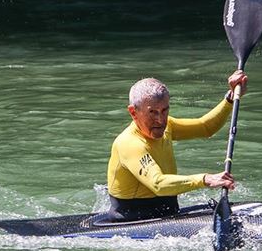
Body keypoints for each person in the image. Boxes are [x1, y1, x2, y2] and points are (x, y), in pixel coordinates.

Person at [105, 70, 248, 222]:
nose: (160, 120)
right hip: (132, 220)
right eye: (152, 112)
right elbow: (158, 183)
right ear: (133, 112)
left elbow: (206, 127)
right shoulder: (129, 143)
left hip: (168, 211)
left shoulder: (168, 126)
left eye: (165, 110)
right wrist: (205, 179)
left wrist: (231, 97)